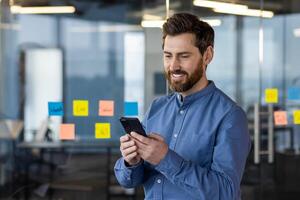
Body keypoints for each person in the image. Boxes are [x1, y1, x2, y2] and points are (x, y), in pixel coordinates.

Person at [114, 13, 251, 200]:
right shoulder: (157, 108)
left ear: (207, 56)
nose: (174, 66)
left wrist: (165, 159)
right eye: (168, 56)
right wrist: (131, 162)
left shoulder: (230, 116)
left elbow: (225, 192)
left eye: (184, 56)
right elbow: (128, 181)